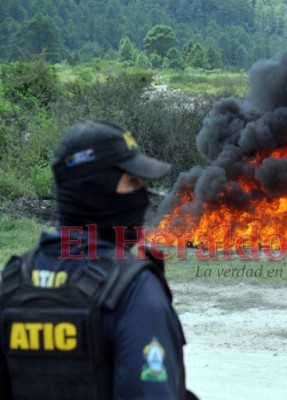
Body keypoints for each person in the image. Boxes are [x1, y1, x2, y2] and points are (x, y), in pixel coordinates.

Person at [0, 120, 197, 399]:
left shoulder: (13, 282)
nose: (142, 195)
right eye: (132, 181)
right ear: (96, 190)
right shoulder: (133, 290)